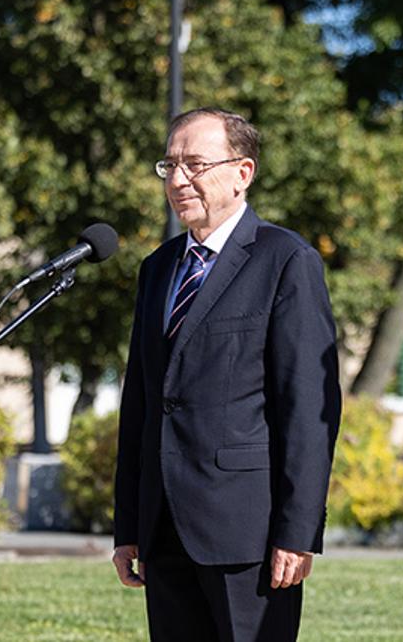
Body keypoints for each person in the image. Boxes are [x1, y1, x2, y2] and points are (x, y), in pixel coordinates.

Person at [111, 108, 343, 642]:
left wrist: (297, 531)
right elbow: (141, 405)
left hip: (249, 535)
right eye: (168, 165)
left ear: (243, 173)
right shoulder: (158, 268)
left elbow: (308, 408)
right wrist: (129, 525)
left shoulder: (286, 260)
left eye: (194, 164)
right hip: (163, 528)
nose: (177, 179)